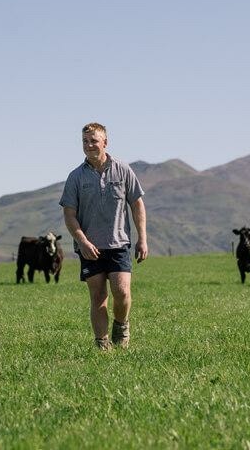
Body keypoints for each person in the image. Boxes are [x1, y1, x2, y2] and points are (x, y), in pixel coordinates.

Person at [59, 123, 148, 350]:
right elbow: (69, 215)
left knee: (122, 291)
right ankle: (102, 344)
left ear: (105, 143)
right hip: (90, 247)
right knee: (98, 296)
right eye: (85, 142)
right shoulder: (75, 177)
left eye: (93, 141)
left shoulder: (123, 170)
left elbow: (137, 204)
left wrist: (142, 238)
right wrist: (83, 241)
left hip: (118, 243)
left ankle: (121, 324)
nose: (89, 145)